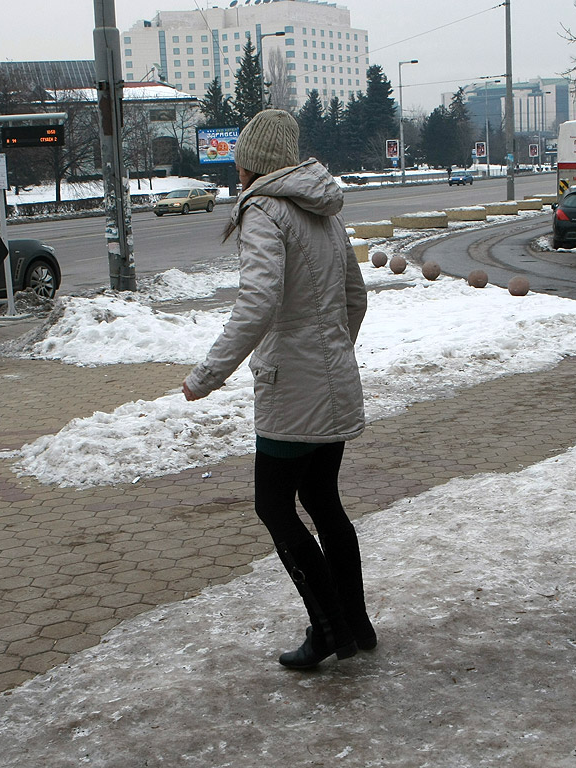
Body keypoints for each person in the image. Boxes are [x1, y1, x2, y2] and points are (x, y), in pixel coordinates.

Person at [181, 109, 374, 670]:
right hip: (330, 381)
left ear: (252, 160)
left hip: (291, 388)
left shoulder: (264, 209)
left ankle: (328, 627)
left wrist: (207, 375)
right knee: (322, 501)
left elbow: (258, 302)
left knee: (274, 503)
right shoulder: (323, 209)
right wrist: (332, 351)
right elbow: (355, 298)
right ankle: (356, 625)